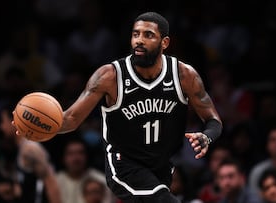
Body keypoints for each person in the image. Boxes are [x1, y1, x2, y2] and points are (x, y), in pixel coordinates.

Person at [13, 11, 223, 203]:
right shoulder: (109, 76)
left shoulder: (184, 75)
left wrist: (207, 136)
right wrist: (36, 126)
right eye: (135, 34)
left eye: (148, 35)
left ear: (164, 42)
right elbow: (70, 119)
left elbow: (213, 120)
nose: (139, 40)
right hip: (124, 165)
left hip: (161, 166)